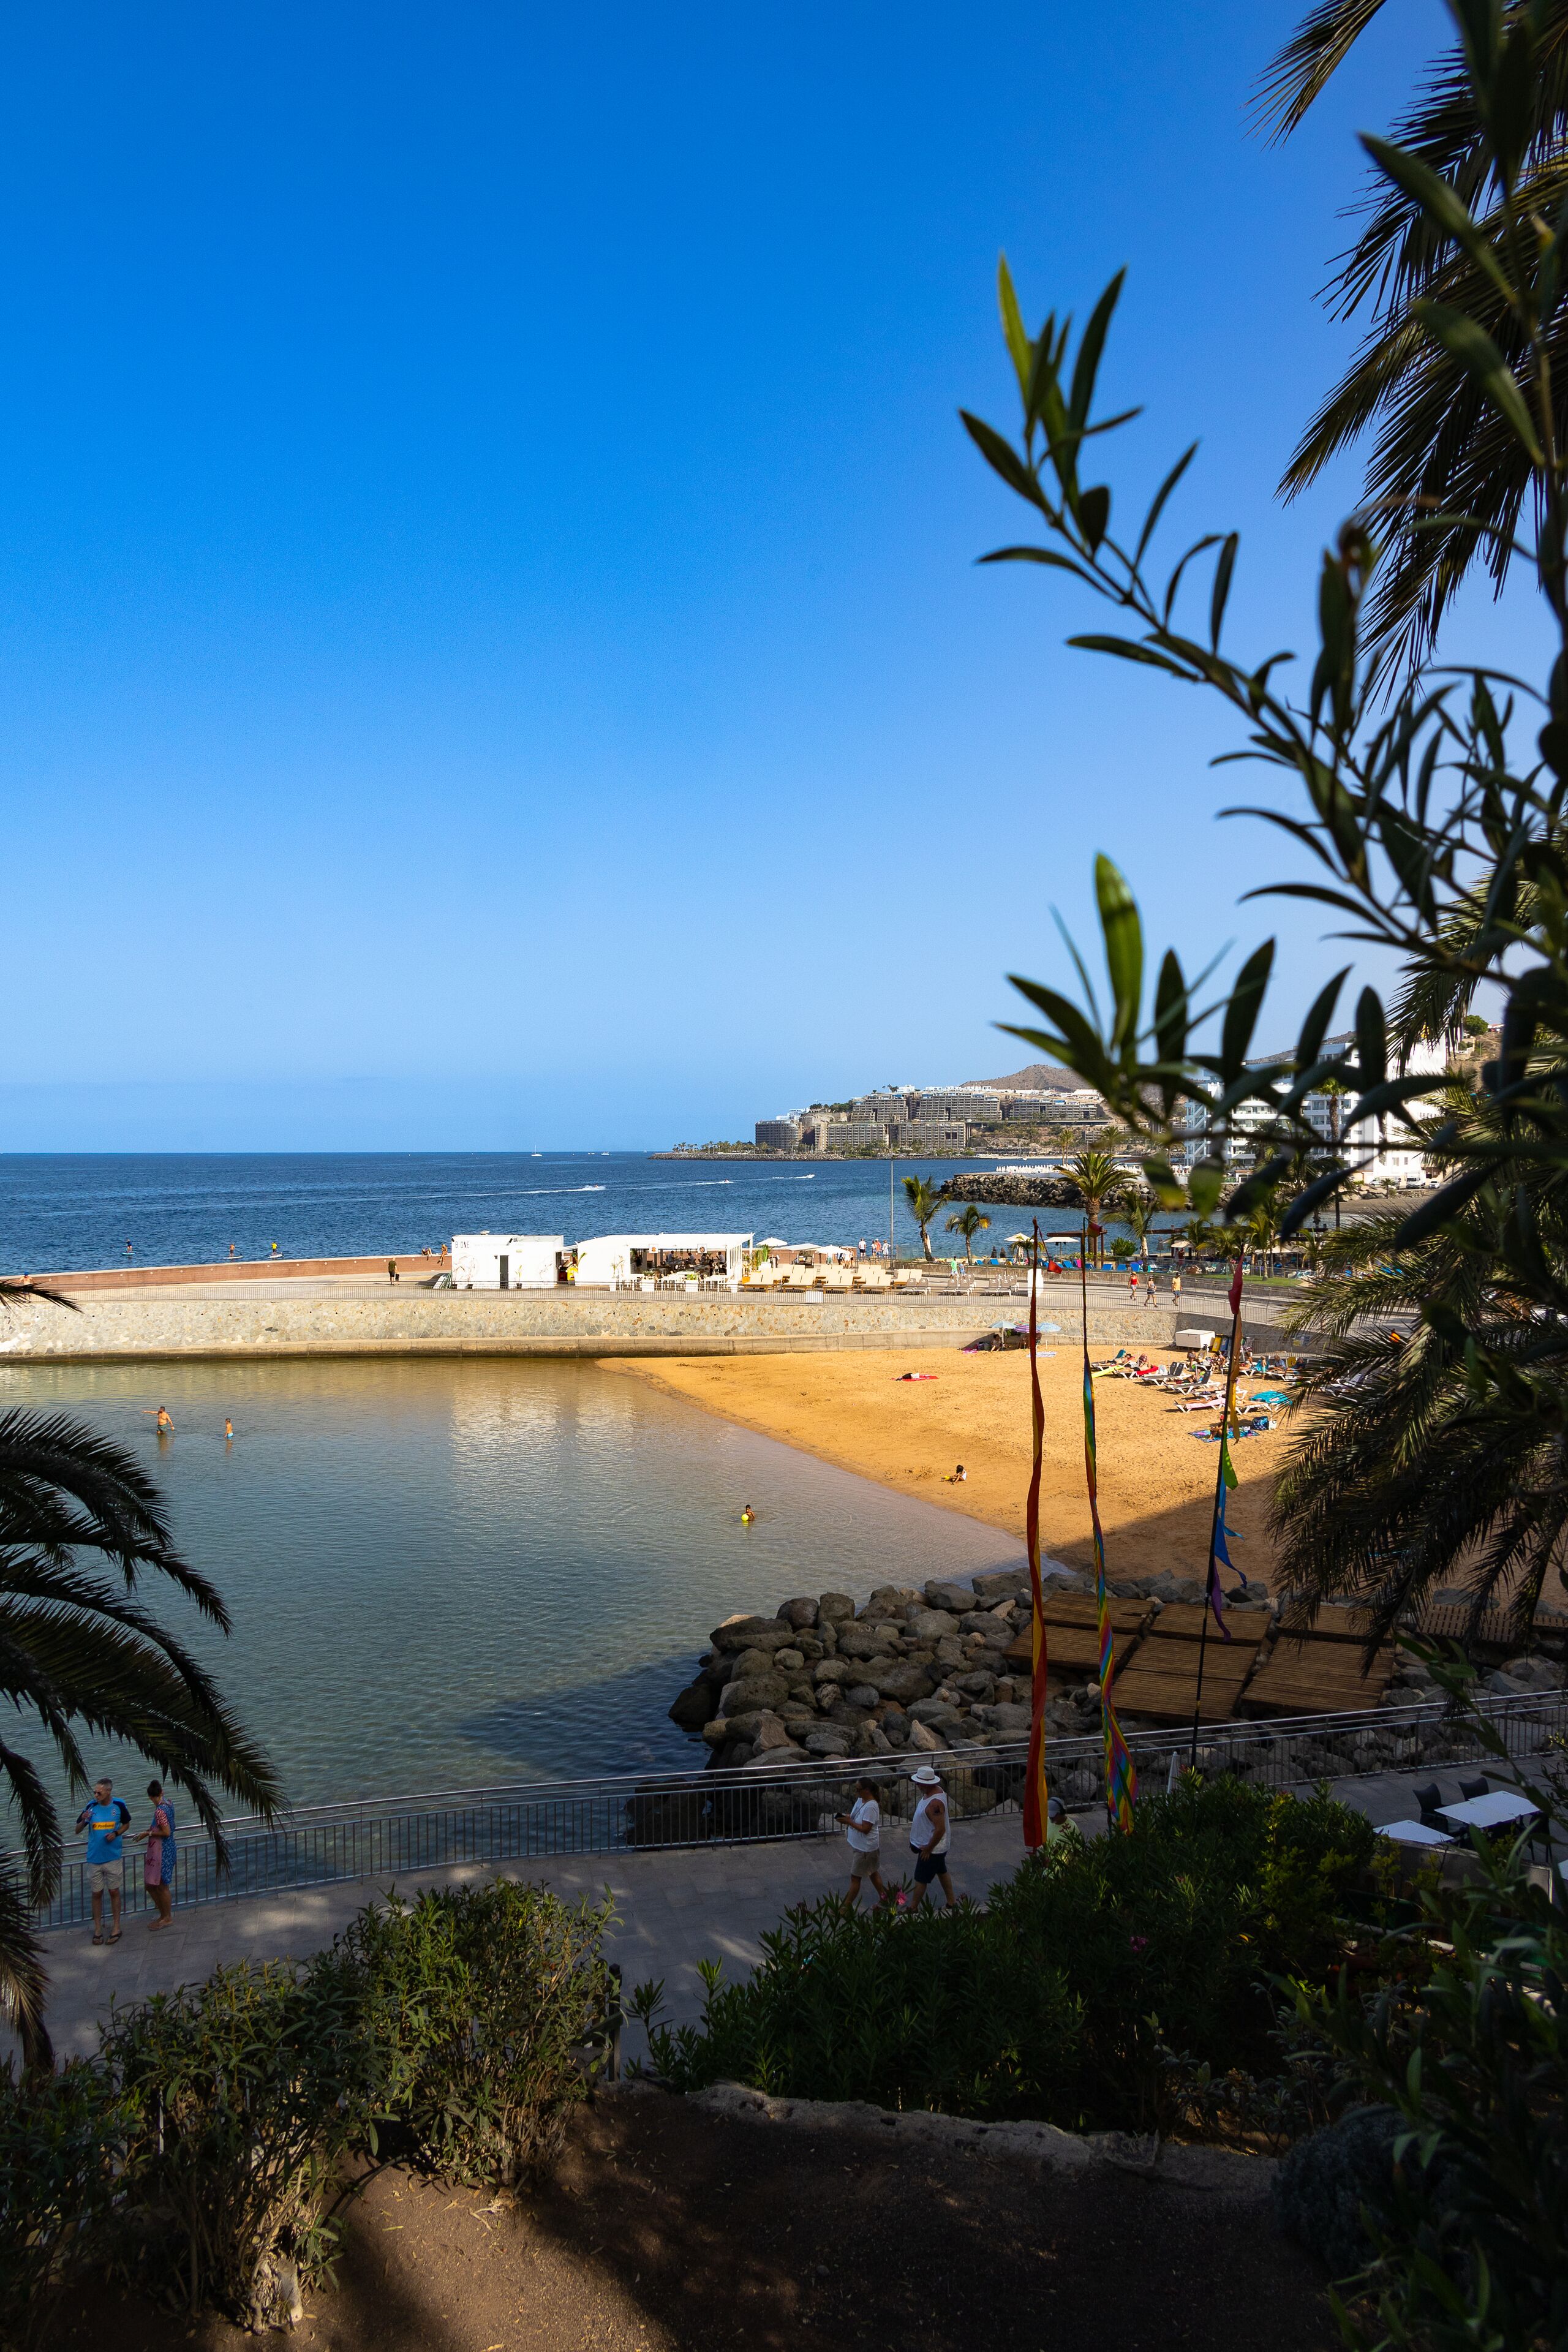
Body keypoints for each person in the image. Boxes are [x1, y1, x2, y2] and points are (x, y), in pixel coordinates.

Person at [77, 1776, 132, 1945]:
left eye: (99, 1792)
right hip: (94, 1859)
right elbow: (77, 1830)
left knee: (114, 1892)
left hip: (113, 1858)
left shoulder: (119, 1805)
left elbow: (127, 1824)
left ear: (108, 1791)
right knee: (96, 1894)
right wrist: (84, 1819)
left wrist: (116, 1834)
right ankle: (98, 1929)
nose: (95, 1795)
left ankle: (116, 1927)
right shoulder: (90, 1807)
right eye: (94, 1792)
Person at [904, 1765, 955, 1909]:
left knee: (921, 1878)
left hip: (933, 1849)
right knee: (941, 1871)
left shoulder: (935, 1803)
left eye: (919, 1782)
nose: (917, 1785)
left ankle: (913, 1908)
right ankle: (951, 1902)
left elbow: (940, 1829)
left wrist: (928, 1849)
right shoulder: (934, 1793)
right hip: (933, 1846)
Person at [836, 1778, 891, 1908]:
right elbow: (855, 1816)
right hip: (862, 1847)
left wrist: (849, 1822)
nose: (856, 1792)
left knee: (855, 1878)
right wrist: (846, 1817)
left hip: (865, 1849)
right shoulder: (861, 1800)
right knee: (873, 1872)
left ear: (867, 1790)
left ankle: (845, 1907)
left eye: (858, 1789)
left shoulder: (872, 1807)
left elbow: (866, 1829)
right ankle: (886, 1898)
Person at [143, 1779, 176, 1928]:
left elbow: (166, 1831)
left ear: (151, 1797)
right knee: (153, 1885)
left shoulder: (160, 1811)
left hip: (163, 1850)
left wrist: (149, 1833)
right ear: (161, 1792)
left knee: (162, 1886)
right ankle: (164, 1914)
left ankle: (167, 1916)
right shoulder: (169, 1804)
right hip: (169, 1848)